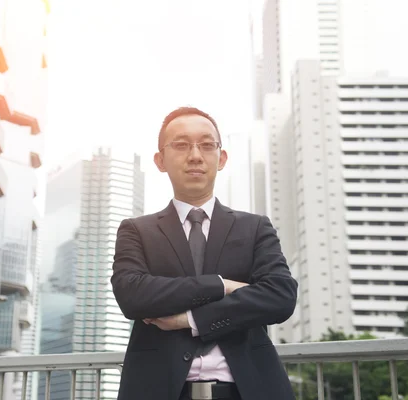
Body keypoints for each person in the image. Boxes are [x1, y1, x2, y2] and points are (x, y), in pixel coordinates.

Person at [110, 107, 298, 400]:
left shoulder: (254, 227)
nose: (195, 155)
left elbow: (280, 297)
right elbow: (132, 295)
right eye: (181, 145)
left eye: (207, 145)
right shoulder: (136, 230)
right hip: (160, 391)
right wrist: (222, 285)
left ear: (221, 158)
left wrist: (190, 319)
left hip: (248, 390)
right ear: (160, 160)